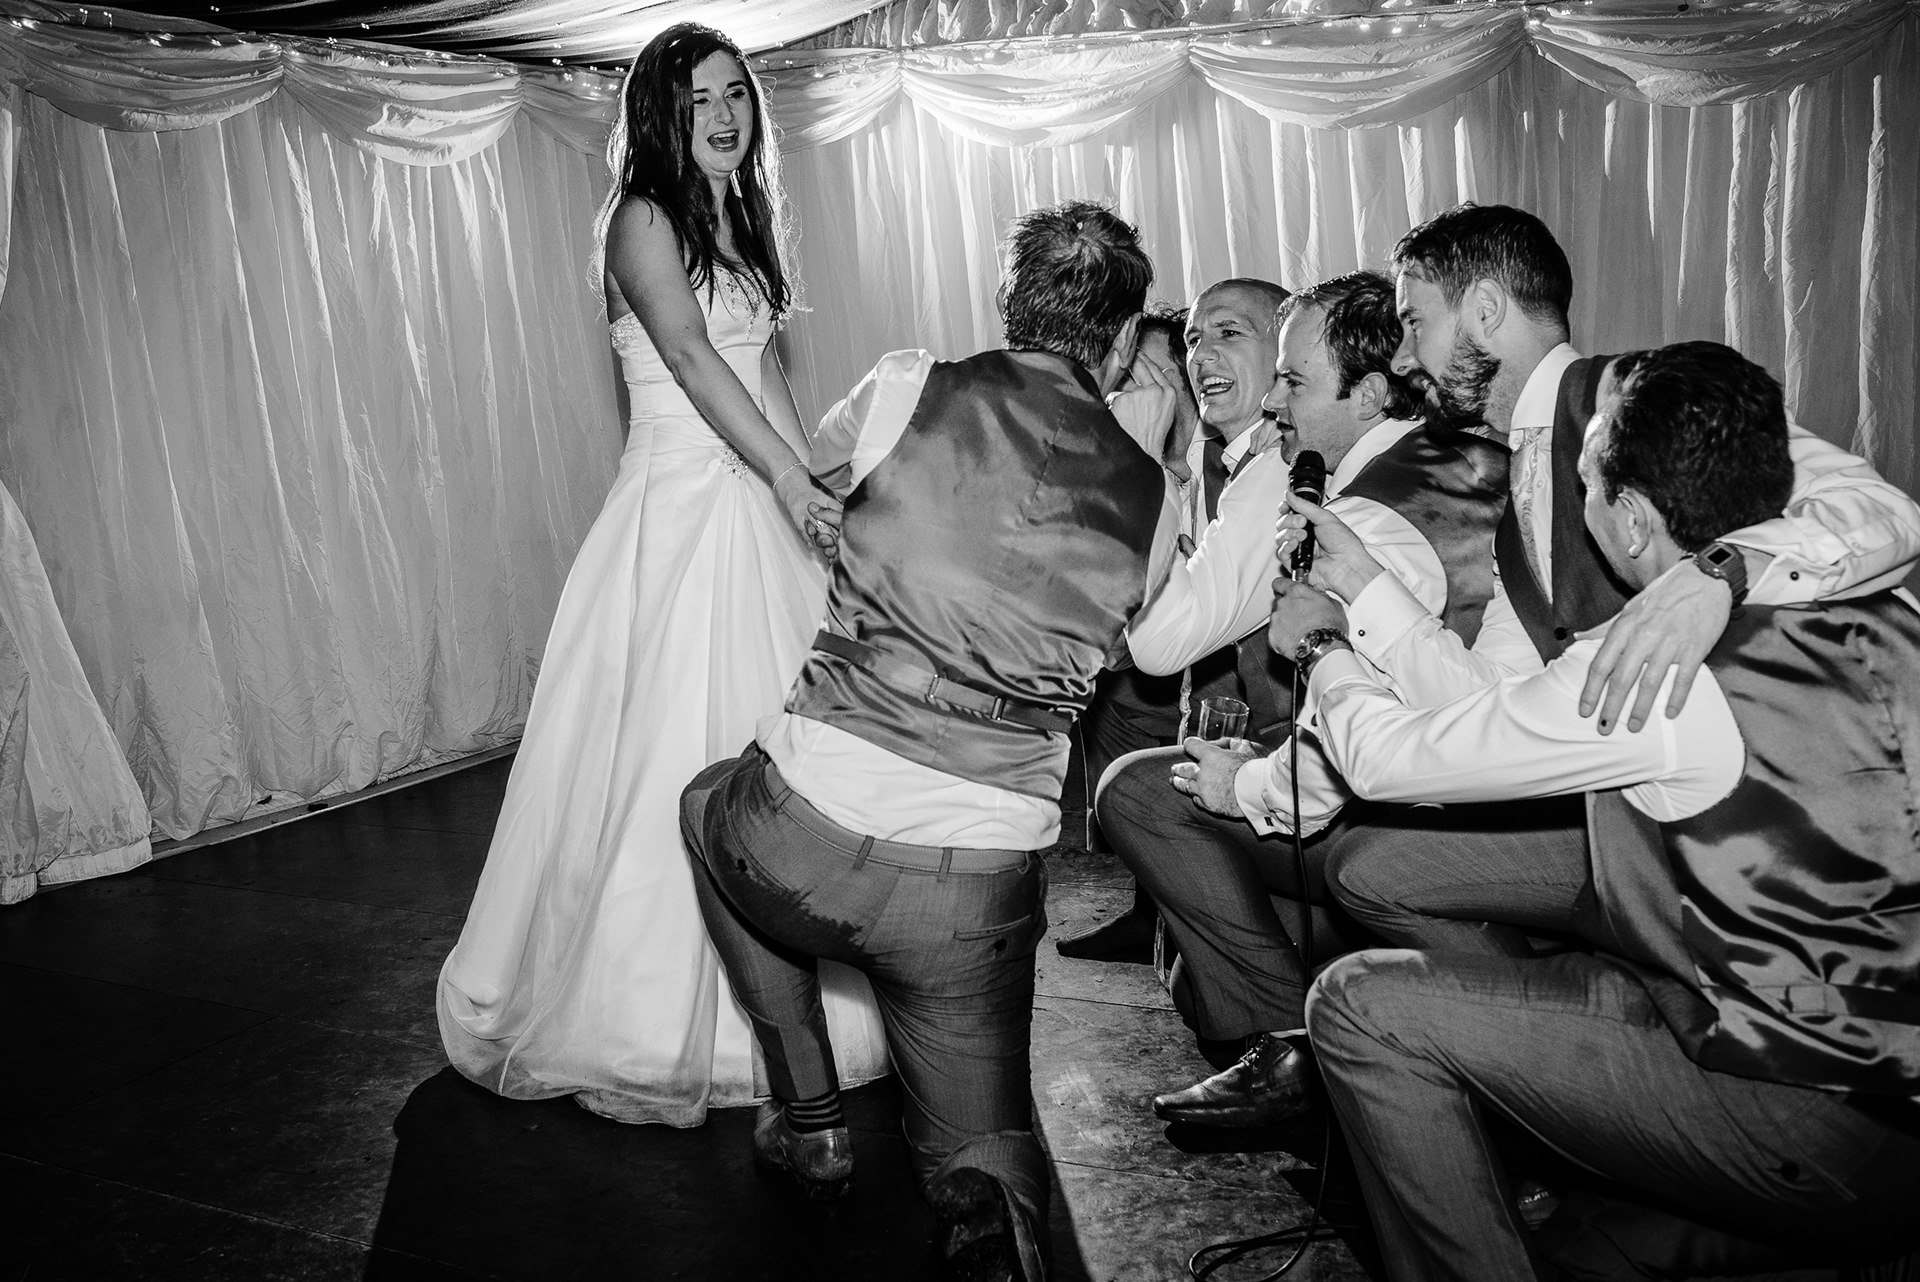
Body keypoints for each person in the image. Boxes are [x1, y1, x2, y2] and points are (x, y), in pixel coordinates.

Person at [1282, 341, 1920, 1282]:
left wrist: (1323, 647)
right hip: (1873, 1070)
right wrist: (1368, 584)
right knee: (1583, 1250)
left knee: (1357, 1003)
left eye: (1584, 485)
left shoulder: (1643, 672)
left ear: (1629, 518)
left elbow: (1390, 760)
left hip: (1811, 1115)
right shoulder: (1883, 601)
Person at [679, 201, 1182, 1282]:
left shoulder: (908, 383)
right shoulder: (1156, 500)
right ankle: (990, 1216)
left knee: (705, 802)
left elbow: (820, 481)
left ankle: (810, 1118)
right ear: (1124, 341)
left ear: (1009, 305)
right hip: (974, 884)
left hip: (803, 832)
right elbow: (1136, 647)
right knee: (984, 1144)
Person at [435, 24, 889, 1128]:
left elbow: (760, 372)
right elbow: (688, 357)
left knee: (781, 757)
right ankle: (637, 1016)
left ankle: (797, 1003)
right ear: (659, 118)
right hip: (673, 515)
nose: (724, 116)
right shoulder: (640, 218)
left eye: (735, 95)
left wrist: (819, 502)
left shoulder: (743, 219)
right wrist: (785, 478)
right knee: (660, 755)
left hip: (756, 503)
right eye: (698, 102)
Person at [1301, 203, 1920, 961]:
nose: (1401, 359)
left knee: (1375, 865)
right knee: (1373, 862)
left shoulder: (1641, 399)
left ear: (1485, 310)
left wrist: (1722, 572)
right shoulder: (1518, 497)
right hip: (1613, 794)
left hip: (1763, 819)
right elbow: (1485, 696)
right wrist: (1362, 582)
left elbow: (1883, 511)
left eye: (1414, 323)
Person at [1097, 271, 1508, 1126]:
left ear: (1368, 394)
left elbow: (1375, 732)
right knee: (1196, 974)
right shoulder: (1460, 461)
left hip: (1417, 817)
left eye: (1293, 381)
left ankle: (1301, 1052)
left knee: (1140, 793)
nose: (1275, 403)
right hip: (1470, 786)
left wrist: (1245, 784)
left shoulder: (1363, 519)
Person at [1056, 278, 1289, 965]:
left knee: (1130, 781)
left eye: (1227, 334)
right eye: (1192, 342)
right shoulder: (1220, 455)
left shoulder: (1268, 461)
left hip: (1285, 737)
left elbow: (1167, 633)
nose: (1200, 357)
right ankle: (1158, 909)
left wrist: (1137, 466)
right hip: (1206, 681)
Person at [1057, 305, 1195, 963]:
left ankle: (1179, 908)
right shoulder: (1113, 450)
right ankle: (1148, 904)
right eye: (1128, 373)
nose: (1135, 388)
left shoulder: (1221, 459)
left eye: (1152, 374)